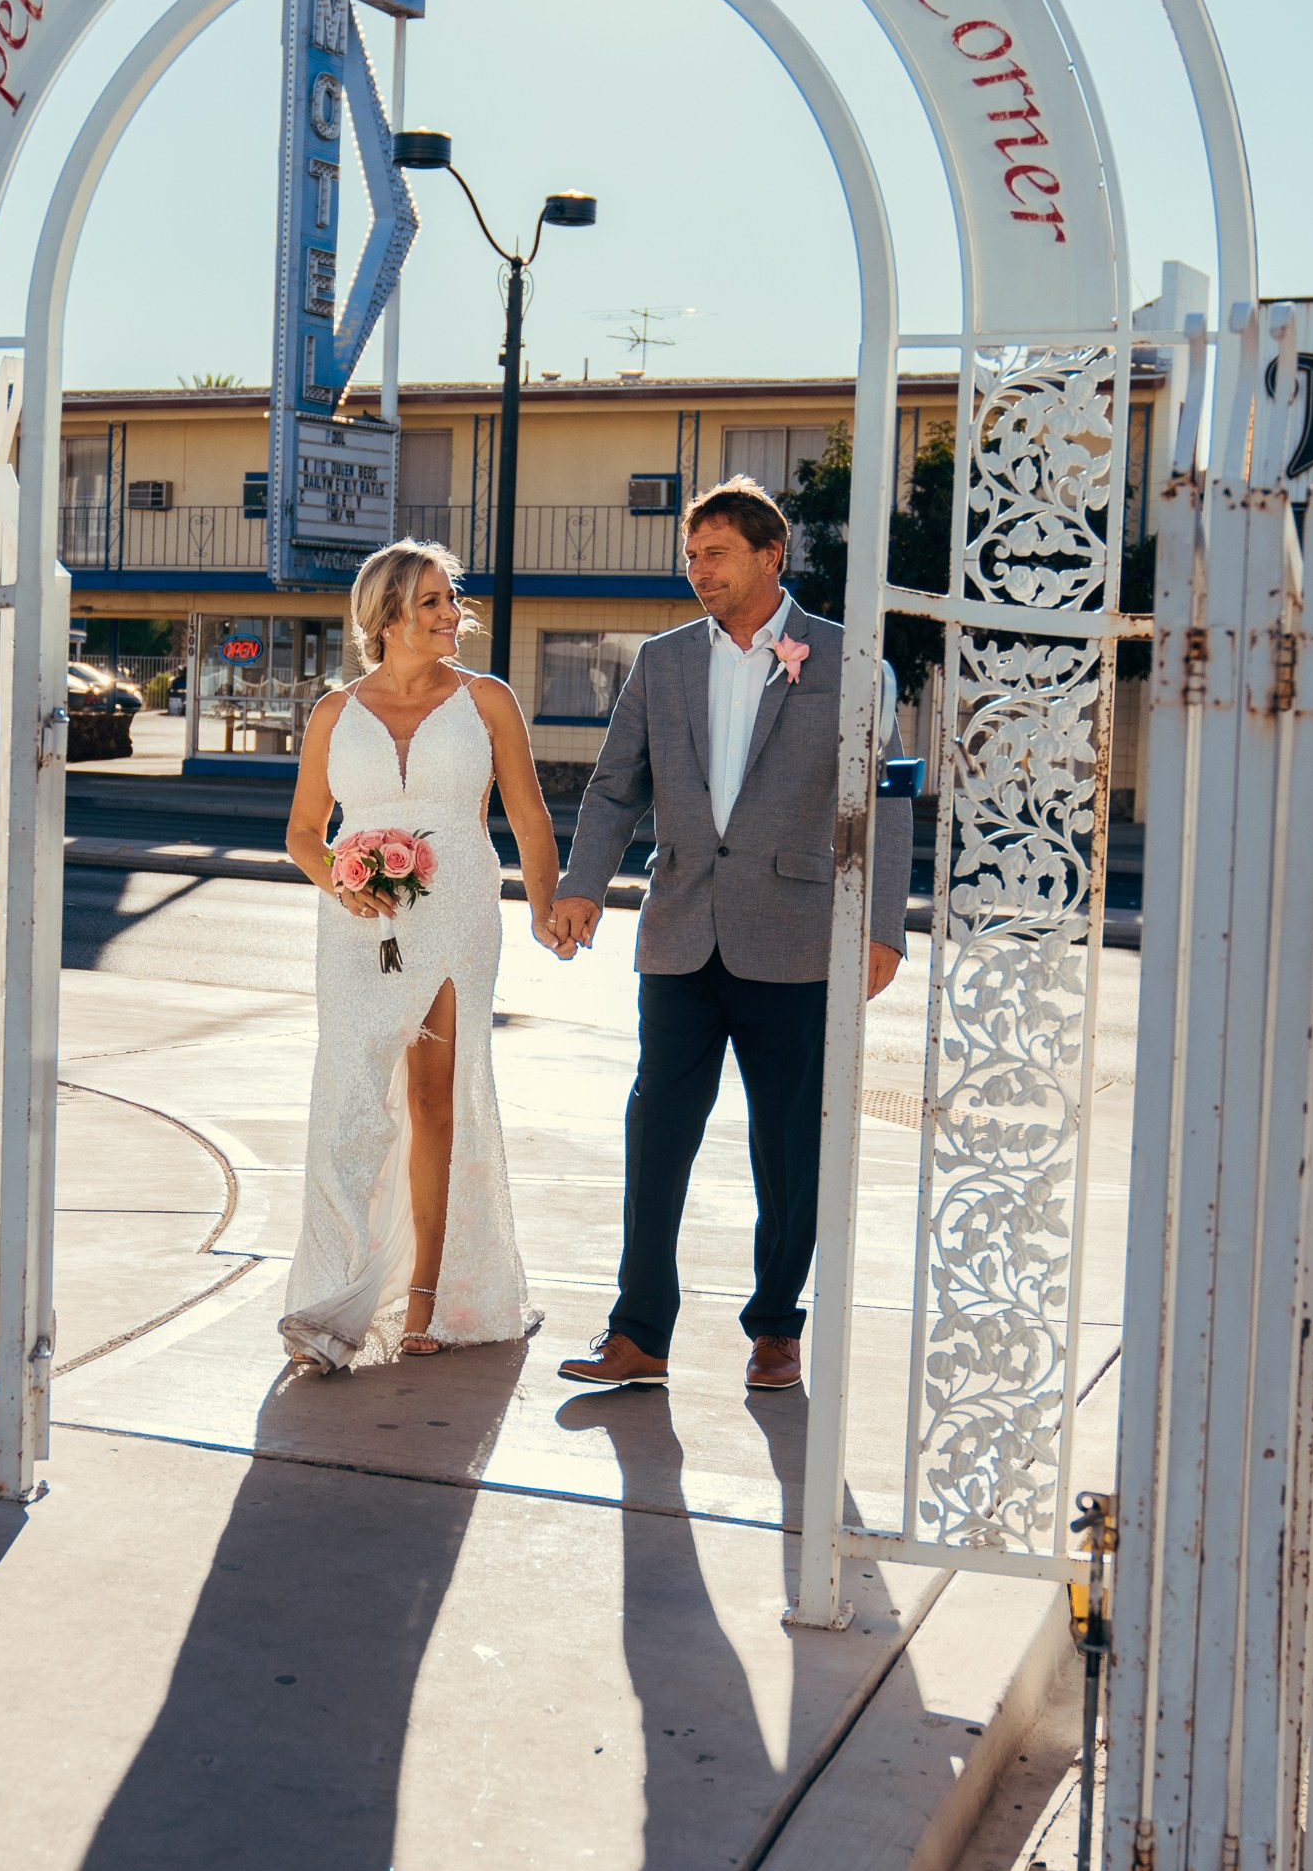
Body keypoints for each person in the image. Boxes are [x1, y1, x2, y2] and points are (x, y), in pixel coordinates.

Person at [549, 478, 911, 1394]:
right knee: (656, 1132)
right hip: (679, 932)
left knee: (788, 1146)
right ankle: (639, 1333)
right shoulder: (662, 660)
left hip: (795, 937)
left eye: (715, 554)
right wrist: (583, 885)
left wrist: (882, 926)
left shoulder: (850, 661)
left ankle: (776, 1326)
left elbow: (885, 799)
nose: (697, 570)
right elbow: (615, 786)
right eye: (690, 555)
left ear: (770, 556)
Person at [280, 541, 569, 1370]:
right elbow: (303, 832)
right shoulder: (334, 713)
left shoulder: (487, 700)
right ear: (387, 615)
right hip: (356, 928)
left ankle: (427, 1299)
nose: (453, 615)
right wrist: (341, 883)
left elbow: (529, 816)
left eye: (452, 599)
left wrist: (547, 907)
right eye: (433, 602)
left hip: (457, 918)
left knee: (437, 1099)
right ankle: (329, 1302)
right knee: (347, 1102)